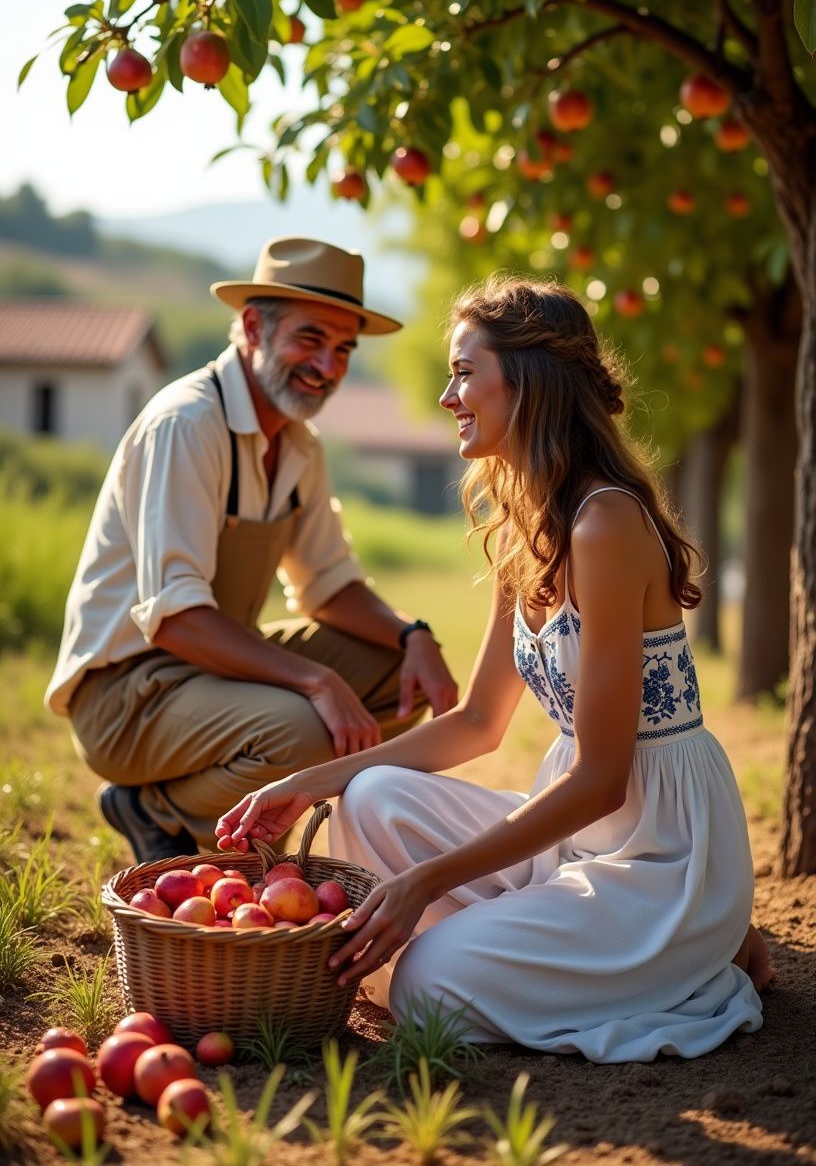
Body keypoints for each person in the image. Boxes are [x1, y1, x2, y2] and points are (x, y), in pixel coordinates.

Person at [216, 272, 770, 1063]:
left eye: (463, 372)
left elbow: (604, 780)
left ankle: (696, 952)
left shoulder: (605, 524)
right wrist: (313, 781)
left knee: (423, 986)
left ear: (529, 383)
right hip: (576, 835)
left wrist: (425, 881)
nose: (448, 396)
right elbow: (477, 722)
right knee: (368, 798)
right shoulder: (523, 527)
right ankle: (534, 948)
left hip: (659, 853)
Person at [45, 237, 458, 863]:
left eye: (343, 349)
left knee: (400, 672)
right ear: (252, 328)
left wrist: (413, 636)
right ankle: (161, 811)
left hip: (213, 675)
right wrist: (316, 680)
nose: (327, 366)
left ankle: (207, 814)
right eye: (309, 338)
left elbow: (327, 584)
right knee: (301, 730)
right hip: (128, 696)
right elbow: (175, 617)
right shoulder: (187, 424)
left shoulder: (300, 445)